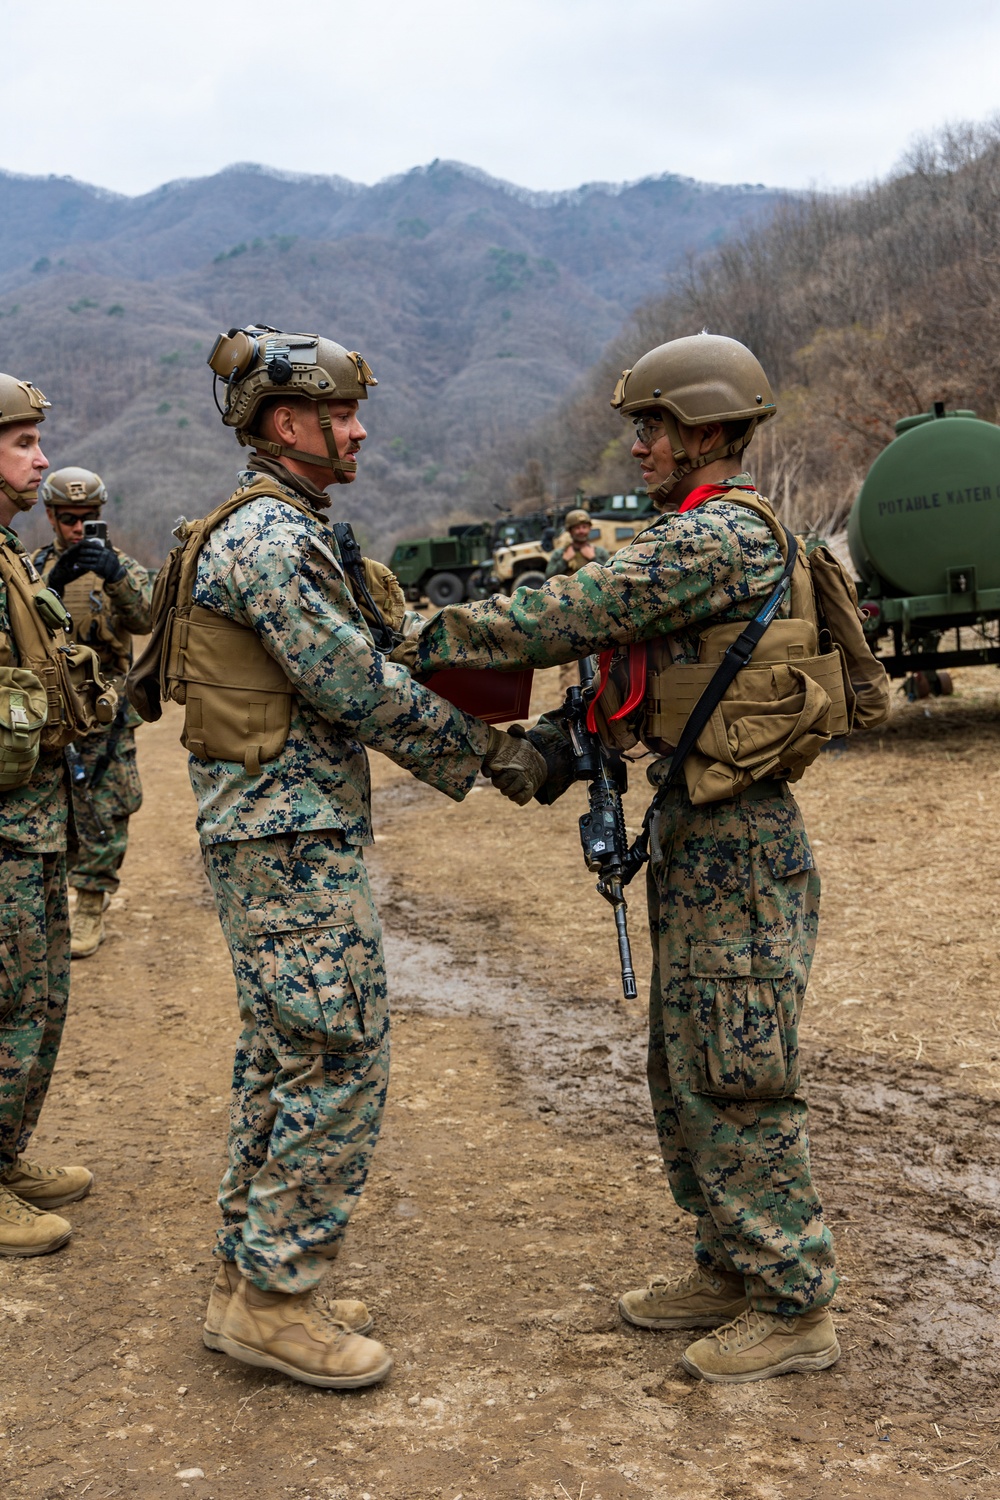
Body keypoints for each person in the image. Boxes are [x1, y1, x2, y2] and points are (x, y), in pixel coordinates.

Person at [391, 333, 890, 1384]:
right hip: (695, 833)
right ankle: (728, 1263)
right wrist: (545, 753)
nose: (638, 446)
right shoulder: (691, 538)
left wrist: (421, 635)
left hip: (739, 846)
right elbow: (625, 678)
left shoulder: (722, 540)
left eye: (653, 426)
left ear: (708, 429)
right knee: (684, 1060)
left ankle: (795, 1300)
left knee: (735, 1066)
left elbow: (573, 611)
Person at [128, 325, 542, 1390]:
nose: (358, 430)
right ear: (284, 423)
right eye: (341, 413)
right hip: (287, 841)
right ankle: (278, 1299)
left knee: (283, 1056)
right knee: (338, 1056)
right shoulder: (269, 539)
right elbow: (353, 683)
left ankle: (246, 1284)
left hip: (281, 834)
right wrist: (493, 754)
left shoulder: (284, 527)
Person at [0, 375, 97, 1256]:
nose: (42, 458)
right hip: (3, 827)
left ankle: (4, 1156)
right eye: (24, 442)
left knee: (38, 1000)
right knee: (4, 1003)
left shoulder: (9, 556)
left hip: (32, 820)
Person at [32, 469, 153, 957]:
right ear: (51, 517)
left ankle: (91, 902)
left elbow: (146, 617)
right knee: (52, 808)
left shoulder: (120, 566)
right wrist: (52, 588)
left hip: (106, 713)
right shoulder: (33, 569)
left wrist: (117, 578)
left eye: (88, 519)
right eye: (68, 519)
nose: (78, 528)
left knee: (106, 805)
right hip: (54, 713)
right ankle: (56, 902)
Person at [544, 508, 610, 579]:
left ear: (589, 529)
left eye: (584, 527)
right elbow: (548, 577)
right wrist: (564, 561)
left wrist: (593, 558)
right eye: (577, 528)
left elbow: (610, 576)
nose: (581, 531)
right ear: (570, 531)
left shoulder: (600, 552)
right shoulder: (559, 554)